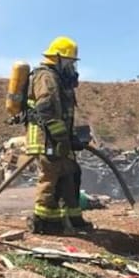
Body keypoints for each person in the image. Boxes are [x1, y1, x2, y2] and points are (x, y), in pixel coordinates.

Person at [26, 36, 92, 235]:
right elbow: (46, 108)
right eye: (69, 61)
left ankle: (73, 218)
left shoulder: (58, 79)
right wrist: (61, 137)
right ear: (58, 58)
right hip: (46, 138)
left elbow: (63, 113)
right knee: (51, 178)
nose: (71, 66)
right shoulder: (46, 77)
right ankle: (44, 222)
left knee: (71, 174)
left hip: (58, 138)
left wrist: (70, 138)